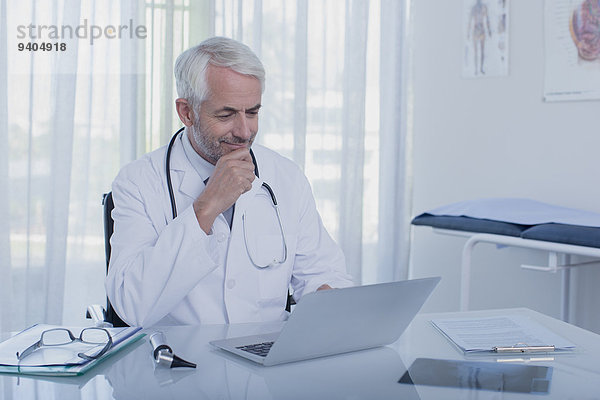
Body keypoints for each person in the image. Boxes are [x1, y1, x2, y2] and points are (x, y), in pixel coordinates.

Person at [105, 37, 354, 327]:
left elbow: (322, 274)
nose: (244, 131)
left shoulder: (286, 178)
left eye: (253, 112)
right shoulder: (138, 182)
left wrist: (327, 295)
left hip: (268, 358)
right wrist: (206, 208)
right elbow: (131, 305)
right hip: (180, 362)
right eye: (226, 114)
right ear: (187, 112)